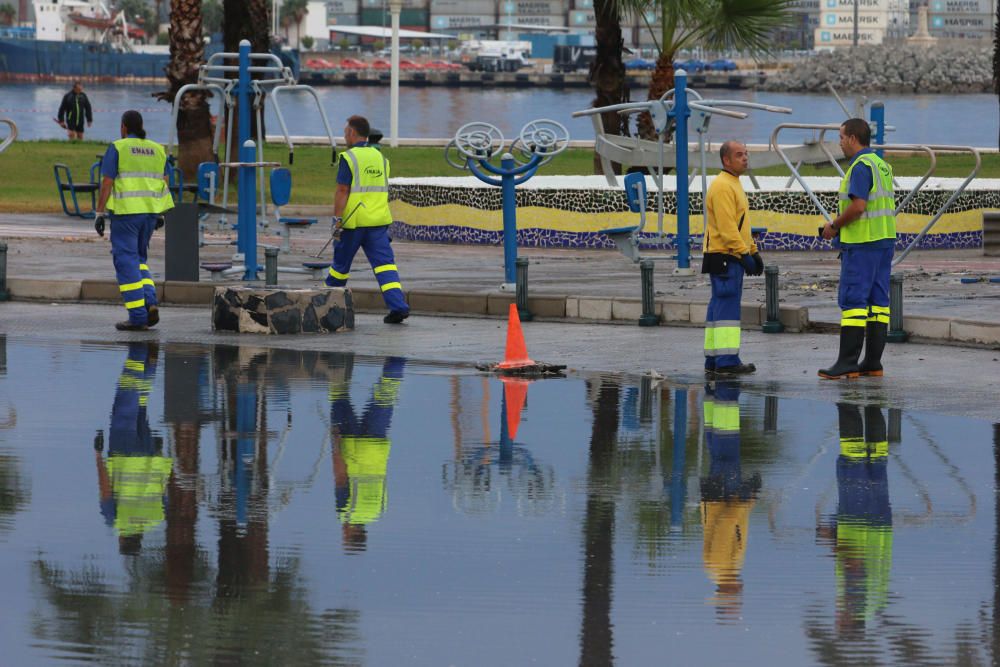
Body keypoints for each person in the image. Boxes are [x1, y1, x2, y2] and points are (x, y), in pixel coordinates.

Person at [819, 118, 896, 379]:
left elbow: (858, 206)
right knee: (878, 304)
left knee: (853, 303)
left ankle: (847, 363)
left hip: (862, 245)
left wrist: (834, 226)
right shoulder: (881, 165)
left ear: (852, 138)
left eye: (841, 137)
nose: (839, 143)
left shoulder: (861, 166)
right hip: (884, 242)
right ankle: (872, 363)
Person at [326, 115, 411, 324]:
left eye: (346, 132)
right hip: (378, 221)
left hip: (353, 222)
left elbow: (342, 190)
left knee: (340, 265)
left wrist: (336, 220)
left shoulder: (349, 157)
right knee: (385, 266)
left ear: (352, 133)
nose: (345, 136)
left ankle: (327, 306)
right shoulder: (381, 158)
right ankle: (398, 307)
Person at [816, 403, 892, 633]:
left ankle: (875, 402)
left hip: (881, 523)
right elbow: (856, 564)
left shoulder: (876, 603)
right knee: (852, 457)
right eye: (839, 622)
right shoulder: (856, 602)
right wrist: (831, 539)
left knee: (877, 456)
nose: (837, 617)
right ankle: (848, 400)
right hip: (858, 521)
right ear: (848, 620)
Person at [94, 110, 173, 331]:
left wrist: (99, 213)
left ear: (124, 127)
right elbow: (164, 181)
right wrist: (158, 212)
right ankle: (150, 304)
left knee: (125, 261)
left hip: (127, 214)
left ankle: (138, 316)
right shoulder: (157, 149)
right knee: (139, 260)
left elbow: (108, 182)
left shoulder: (118, 147)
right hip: (149, 214)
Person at [93, 343, 172, 555]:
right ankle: (137, 354)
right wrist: (98, 454)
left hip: (147, 453)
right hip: (123, 454)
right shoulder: (116, 520)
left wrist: (158, 453)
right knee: (125, 404)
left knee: (140, 405)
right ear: (122, 539)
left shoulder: (157, 517)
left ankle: (150, 364)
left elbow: (163, 487)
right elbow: (105, 489)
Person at [330, 355, 405, 552]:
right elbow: (340, 477)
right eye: (344, 537)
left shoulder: (379, 510)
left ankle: (398, 354)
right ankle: (335, 355)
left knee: (386, 395)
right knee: (339, 396)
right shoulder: (345, 514)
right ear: (348, 534)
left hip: (376, 448)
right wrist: (335, 445)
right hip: (351, 448)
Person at [701, 141, 764, 375]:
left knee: (719, 306)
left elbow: (741, 225)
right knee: (727, 309)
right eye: (739, 155)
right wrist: (745, 254)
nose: (745, 158)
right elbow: (728, 230)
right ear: (726, 160)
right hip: (726, 256)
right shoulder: (723, 187)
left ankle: (714, 360)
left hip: (727, 255)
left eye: (746, 153)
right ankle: (726, 361)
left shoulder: (732, 183)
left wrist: (753, 250)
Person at [700, 380, 761, 620]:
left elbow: (726, 524)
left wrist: (745, 501)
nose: (742, 593)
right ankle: (716, 393)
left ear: (727, 592)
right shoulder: (727, 568)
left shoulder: (719, 564)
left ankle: (723, 392)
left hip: (724, 496)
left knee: (725, 443)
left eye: (736, 599)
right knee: (720, 443)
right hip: (723, 496)